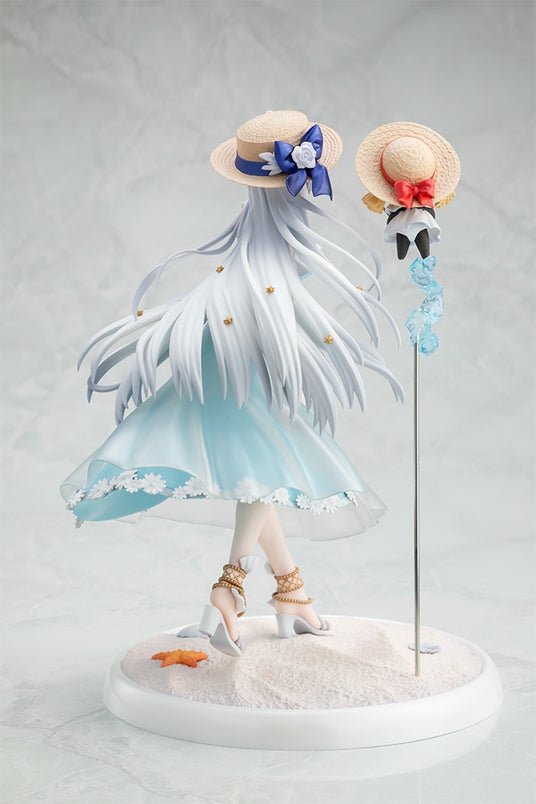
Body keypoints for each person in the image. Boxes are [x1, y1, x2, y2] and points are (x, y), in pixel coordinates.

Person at [61, 110, 403, 657]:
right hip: (242, 362)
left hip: (227, 356)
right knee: (261, 473)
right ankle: (229, 587)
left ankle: (291, 593)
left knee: (260, 472)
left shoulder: (255, 237)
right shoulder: (277, 247)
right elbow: (278, 311)